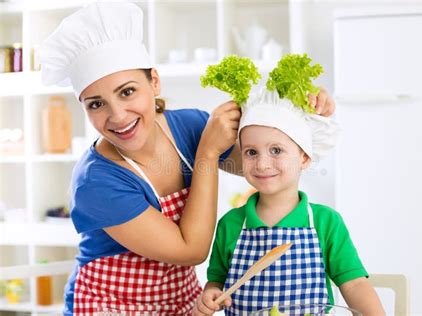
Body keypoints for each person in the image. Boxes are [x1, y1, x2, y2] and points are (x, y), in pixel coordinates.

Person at [38, 2, 336, 315]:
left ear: (154, 81)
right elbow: (190, 251)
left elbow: (263, 165)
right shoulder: (96, 181)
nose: (117, 116)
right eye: (96, 104)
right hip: (110, 305)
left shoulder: (190, 127)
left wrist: (300, 113)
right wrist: (207, 153)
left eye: (127, 92)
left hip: (182, 301)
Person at [194, 88, 385, 316]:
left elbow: (354, 285)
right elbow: (216, 282)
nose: (262, 164)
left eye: (276, 150)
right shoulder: (231, 224)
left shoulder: (326, 222)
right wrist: (210, 294)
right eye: (251, 152)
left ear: (304, 157)